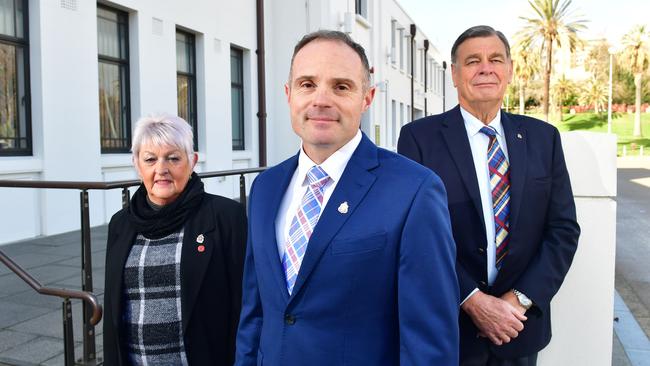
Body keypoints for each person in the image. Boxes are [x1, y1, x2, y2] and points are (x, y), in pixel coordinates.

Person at [235, 30, 459, 365]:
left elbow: (429, 344)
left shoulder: (414, 191)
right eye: (307, 84)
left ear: (367, 98)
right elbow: (255, 313)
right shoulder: (265, 188)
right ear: (288, 94)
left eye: (341, 86)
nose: (320, 99)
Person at [398, 25, 581, 365]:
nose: (485, 68)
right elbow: (415, 235)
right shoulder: (417, 139)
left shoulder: (544, 138)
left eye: (495, 59)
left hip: (519, 328)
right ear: (454, 74)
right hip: (450, 329)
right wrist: (471, 299)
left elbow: (563, 230)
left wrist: (518, 300)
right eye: (472, 61)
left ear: (509, 70)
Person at [103, 115, 247, 365]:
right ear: (137, 164)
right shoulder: (121, 224)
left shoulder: (225, 217)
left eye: (173, 158)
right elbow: (113, 312)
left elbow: (245, 305)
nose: (161, 170)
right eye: (150, 159)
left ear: (192, 162)